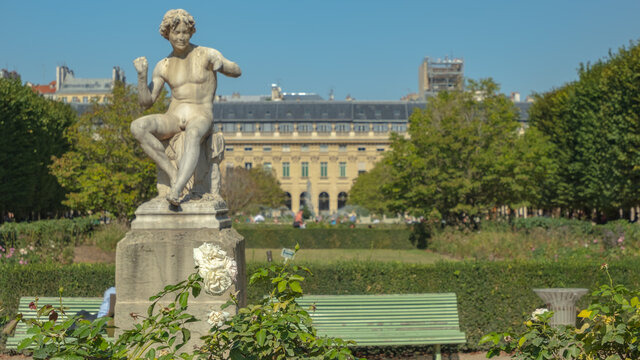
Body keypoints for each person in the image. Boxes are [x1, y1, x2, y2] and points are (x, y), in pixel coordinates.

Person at [130, 9, 241, 206]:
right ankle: (173, 174)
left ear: (191, 32)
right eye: (176, 33)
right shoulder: (163, 65)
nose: (181, 37)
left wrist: (222, 65)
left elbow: (236, 70)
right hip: (173, 115)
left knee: (193, 132)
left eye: (185, 32)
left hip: (200, 113)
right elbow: (146, 102)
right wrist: (141, 76)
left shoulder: (206, 54)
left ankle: (177, 188)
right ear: (167, 34)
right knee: (137, 127)